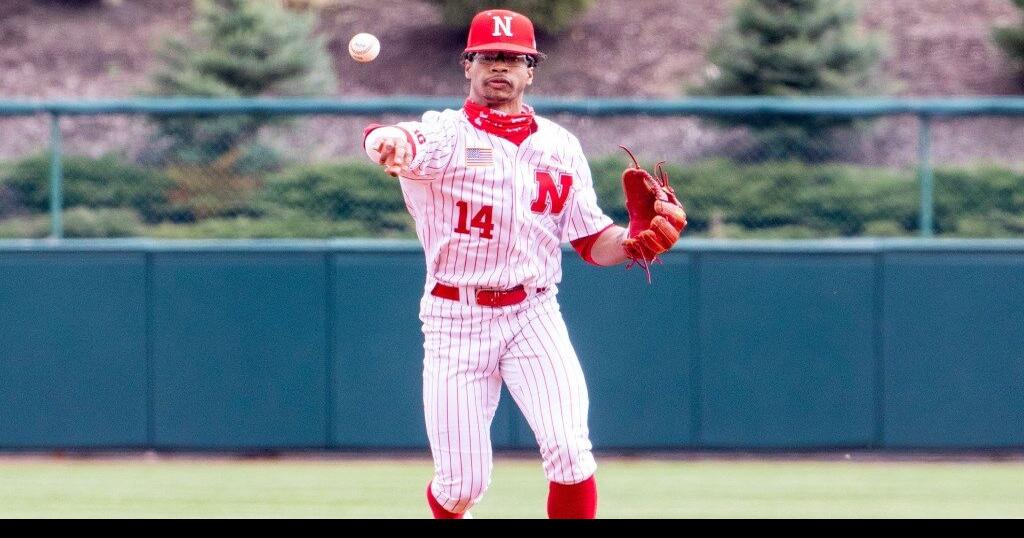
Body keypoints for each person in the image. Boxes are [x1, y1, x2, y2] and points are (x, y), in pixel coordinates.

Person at [361, 9, 686, 519]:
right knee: (461, 485)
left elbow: (590, 240)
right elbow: (400, 139)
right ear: (467, 65)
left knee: (571, 451)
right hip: (454, 319)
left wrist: (634, 241)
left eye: (514, 59)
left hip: (533, 313)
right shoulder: (446, 135)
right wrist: (385, 142)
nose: (500, 66)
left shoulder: (559, 145)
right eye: (489, 56)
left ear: (530, 70)